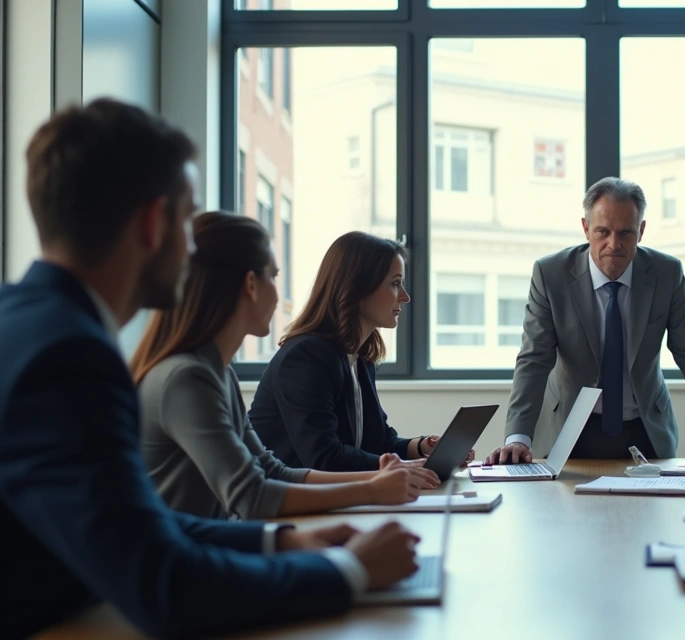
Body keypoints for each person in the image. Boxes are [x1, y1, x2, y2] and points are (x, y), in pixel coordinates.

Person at [0, 99, 417, 639]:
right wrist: (350, 569)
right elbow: (166, 585)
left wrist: (279, 541)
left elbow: (136, 521)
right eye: (187, 221)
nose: (193, 248)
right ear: (153, 223)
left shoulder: (37, 325)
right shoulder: (69, 356)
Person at [131, 212, 440, 521]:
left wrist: (387, 476)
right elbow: (253, 496)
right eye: (274, 276)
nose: (279, 295)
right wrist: (372, 488)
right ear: (251, 284)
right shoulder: (188, 378)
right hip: (191, 559)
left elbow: (272, 472)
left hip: (215, 544)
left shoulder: (218, 373)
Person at [485, 177, 685, 463]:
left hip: (645, 430)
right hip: (568, 430)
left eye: (625, 233)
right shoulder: (551, 274)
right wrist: (518, 438)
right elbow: (534, 359)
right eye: (602, 232)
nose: (613, 244)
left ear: (641, 231)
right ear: (585, 228)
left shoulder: (666, 274)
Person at [249, 232, 474, 472]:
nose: (405, 297)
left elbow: (379, 442)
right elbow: (324, 457)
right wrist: (408, 467)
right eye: (395, 283)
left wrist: (421, 448)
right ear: (358, 287)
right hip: (285, 505)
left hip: (333, 499)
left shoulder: (359, 357)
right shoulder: (305, 357)